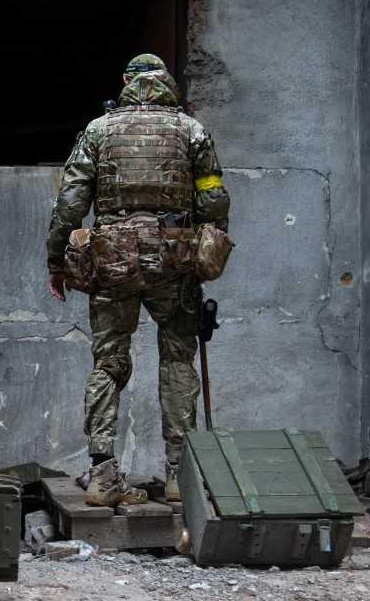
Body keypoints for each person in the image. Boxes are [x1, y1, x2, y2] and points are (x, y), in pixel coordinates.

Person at [46, 54, 231, 506]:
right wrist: (207, 243)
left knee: (108, 362)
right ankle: (177, 477)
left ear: (126, 82)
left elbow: (70, 203)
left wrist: (57, 261)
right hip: (173, 259)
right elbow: (214, 199)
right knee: (177, 361)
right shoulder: (192, 130)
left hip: (112, 260)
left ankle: (104, 475)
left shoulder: (97, 130)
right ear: (167, 83)